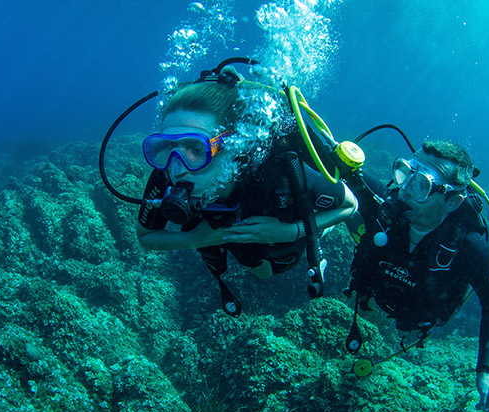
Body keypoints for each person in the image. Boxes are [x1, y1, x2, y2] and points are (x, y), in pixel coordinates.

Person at [136, 69, 358, 312]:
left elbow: (350, 204)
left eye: (195, 148)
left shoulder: (278, 170)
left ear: (233, 145)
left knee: (270, 270)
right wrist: (193, 239)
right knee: (258, 270)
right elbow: (146, 236)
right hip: (234, 240)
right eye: (165, 146)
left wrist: (290, 231)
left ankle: (320, 229)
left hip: (283, 230)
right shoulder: (166, 170)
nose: (176, 168)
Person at [344, 139, 489, 412]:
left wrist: (485, 372)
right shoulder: (385, 205)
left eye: (422, 185)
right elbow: (329, 160)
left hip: (416, 319)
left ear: (452, 201)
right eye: (405, 173)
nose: (404, 190)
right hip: (369, 300)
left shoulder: (471, 247)